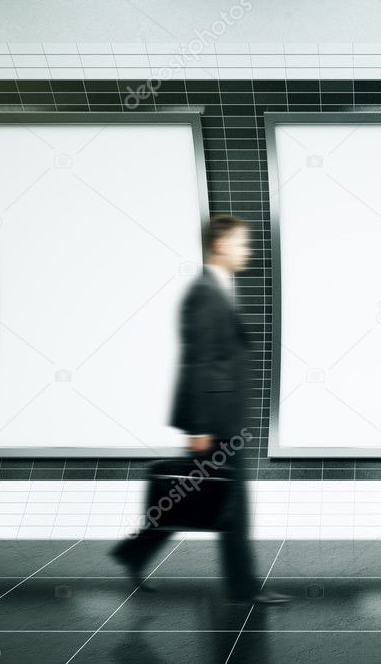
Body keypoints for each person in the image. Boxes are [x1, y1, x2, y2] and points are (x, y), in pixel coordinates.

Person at [111, 215, 288, 605]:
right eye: (242, 243)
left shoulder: (219, 288)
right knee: (225, 505)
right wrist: (199, 427)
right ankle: (242, 590)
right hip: (215, 423)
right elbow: (198, 361)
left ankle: (133, 553)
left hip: (223, 419)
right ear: (220, 245)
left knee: (193, 497)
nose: (249, 250)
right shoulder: (205, 292)